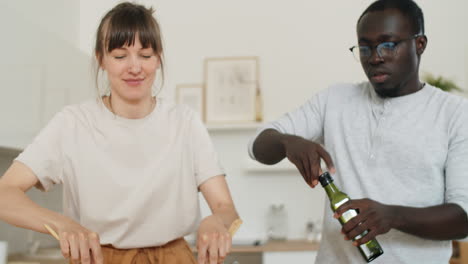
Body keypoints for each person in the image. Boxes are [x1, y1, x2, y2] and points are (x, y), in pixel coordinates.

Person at [0, 2, 239, 264]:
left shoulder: (185, 122)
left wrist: (216, 222)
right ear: (101, 59)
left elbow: (225, 208)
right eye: (120, 55)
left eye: (145, 55)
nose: (134, 67)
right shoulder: (72, 124)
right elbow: (5, 193)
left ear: (158, 58)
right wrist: (60, 223)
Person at [248, 0, 468, 263]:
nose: (375, 57)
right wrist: (287, 142)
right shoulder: (334, 100)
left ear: (419, 44)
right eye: (365, 47)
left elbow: (463, 218)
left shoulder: (455, 114)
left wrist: (392, 216)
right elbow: (258, 146)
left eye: (388, 45)